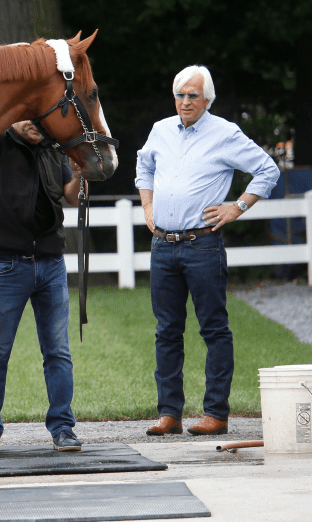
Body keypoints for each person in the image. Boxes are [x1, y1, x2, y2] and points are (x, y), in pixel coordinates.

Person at [135, 65, 279, 437]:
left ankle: (215, 414)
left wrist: (238, 207)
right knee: (166, 331)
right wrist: (148, 208)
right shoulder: (160, 130)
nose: (185, 102)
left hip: (203, 245)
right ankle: (170, 414)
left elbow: (267, 170)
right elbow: (143, 167)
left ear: (208, 99)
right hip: (163, 245)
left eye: (193, 95)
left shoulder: (225, 133)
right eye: (180, 95)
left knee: (214, 329)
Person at [0, 119, 85, 454]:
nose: (37, 125)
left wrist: (77, 174)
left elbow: (71, 198)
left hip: (51, 263)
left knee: (58, 352)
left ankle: (63, 428)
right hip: (6, 264)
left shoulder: (52, 148)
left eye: (41, 119)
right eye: (30, 118)